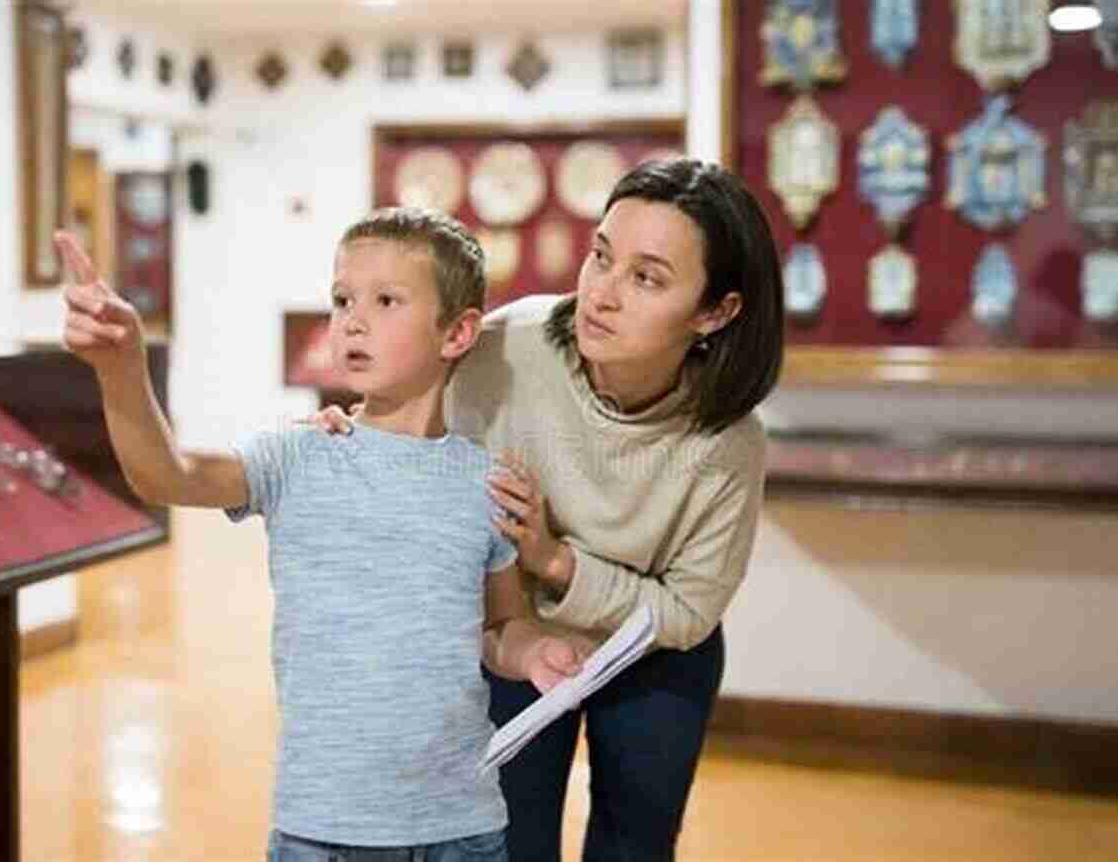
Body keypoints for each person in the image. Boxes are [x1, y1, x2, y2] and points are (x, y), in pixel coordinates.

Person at [55, 207, 588, 862]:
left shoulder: (486, 481)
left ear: (457, 332)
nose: (352, 321)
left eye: (386, 300)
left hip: (463, 826)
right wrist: (121, 368)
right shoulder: (298, 456)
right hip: (324, 831)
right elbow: (168, 474)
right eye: (342, 300)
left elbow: (501, 625)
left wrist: (534, 653)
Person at [317, 158, 784, 860]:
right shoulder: (508, 346)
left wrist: (556, 559)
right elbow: (403, 426)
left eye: (646, 277)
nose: (602, 293)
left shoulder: (730, 442)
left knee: (635, 845)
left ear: (716, 312)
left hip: (653, 653)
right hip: (515, 627)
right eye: (601, 256)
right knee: (506, 841)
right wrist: (340, 437)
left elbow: (688, 610)